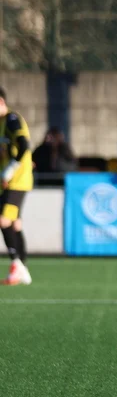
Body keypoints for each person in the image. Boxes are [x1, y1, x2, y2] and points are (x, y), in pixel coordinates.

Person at [0, 87, 33, 285]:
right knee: (15, 224)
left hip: (17, 181)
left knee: (3, 221)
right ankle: (23, 268)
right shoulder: (2, 123)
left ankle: (17, 264)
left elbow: (24, 145)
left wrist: (11, 169)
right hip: (10, 182)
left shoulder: (12, 120)